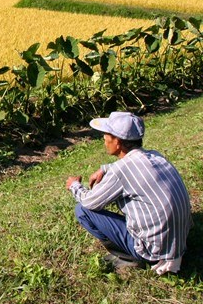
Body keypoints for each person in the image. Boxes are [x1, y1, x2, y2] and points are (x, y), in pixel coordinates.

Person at [65, 111, 191, 275]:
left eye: (106, 134)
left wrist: (74, 185)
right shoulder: (155, 156)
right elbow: (132, 167)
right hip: (179, 242)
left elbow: (90, 202)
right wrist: (104, 169)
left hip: (153, 251)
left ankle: (131, 257)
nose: (104, 138)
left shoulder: (121, 171)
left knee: (82, 211)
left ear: (117, 142)